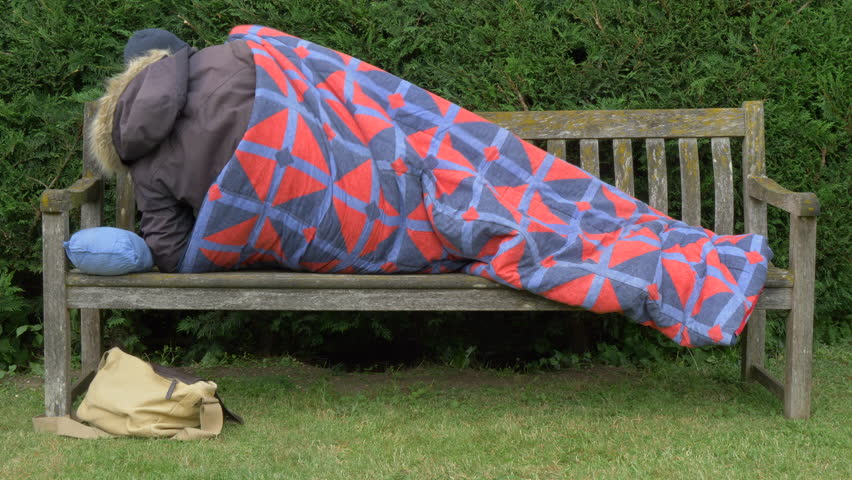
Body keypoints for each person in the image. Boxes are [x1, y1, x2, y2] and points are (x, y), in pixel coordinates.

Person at [89, 25, 771, 348]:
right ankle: (678, 257)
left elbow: (175, 255)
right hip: (385, 172)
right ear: (166, 57)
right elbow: (343, 87)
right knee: (476, 194)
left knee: (449, 223)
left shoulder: (143, 167)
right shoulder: (240, 51)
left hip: (348, 231)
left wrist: (246, 227)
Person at [89, 28, 256, 272]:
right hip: (315, 226)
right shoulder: (241, 58)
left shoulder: (140, 140)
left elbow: (170, 251)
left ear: (128, 83)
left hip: (249, 247)